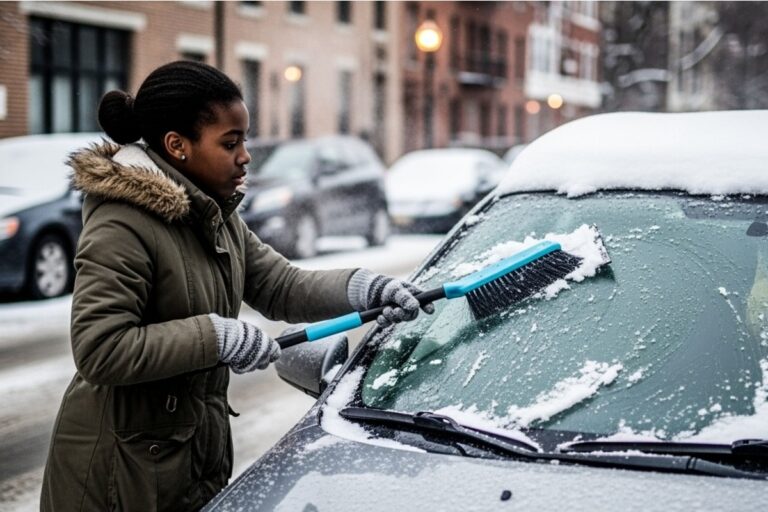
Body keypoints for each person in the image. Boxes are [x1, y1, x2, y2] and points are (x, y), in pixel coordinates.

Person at [40, 60, 432, 511]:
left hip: (179, 464)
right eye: (230, 143)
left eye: (244, 139)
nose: (245, 155)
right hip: (115, 480)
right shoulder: (121, 222)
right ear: (177, 145)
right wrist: (217, 336)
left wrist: (364, 288)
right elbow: (99, 348)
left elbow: (281, 286)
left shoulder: (214, 214)